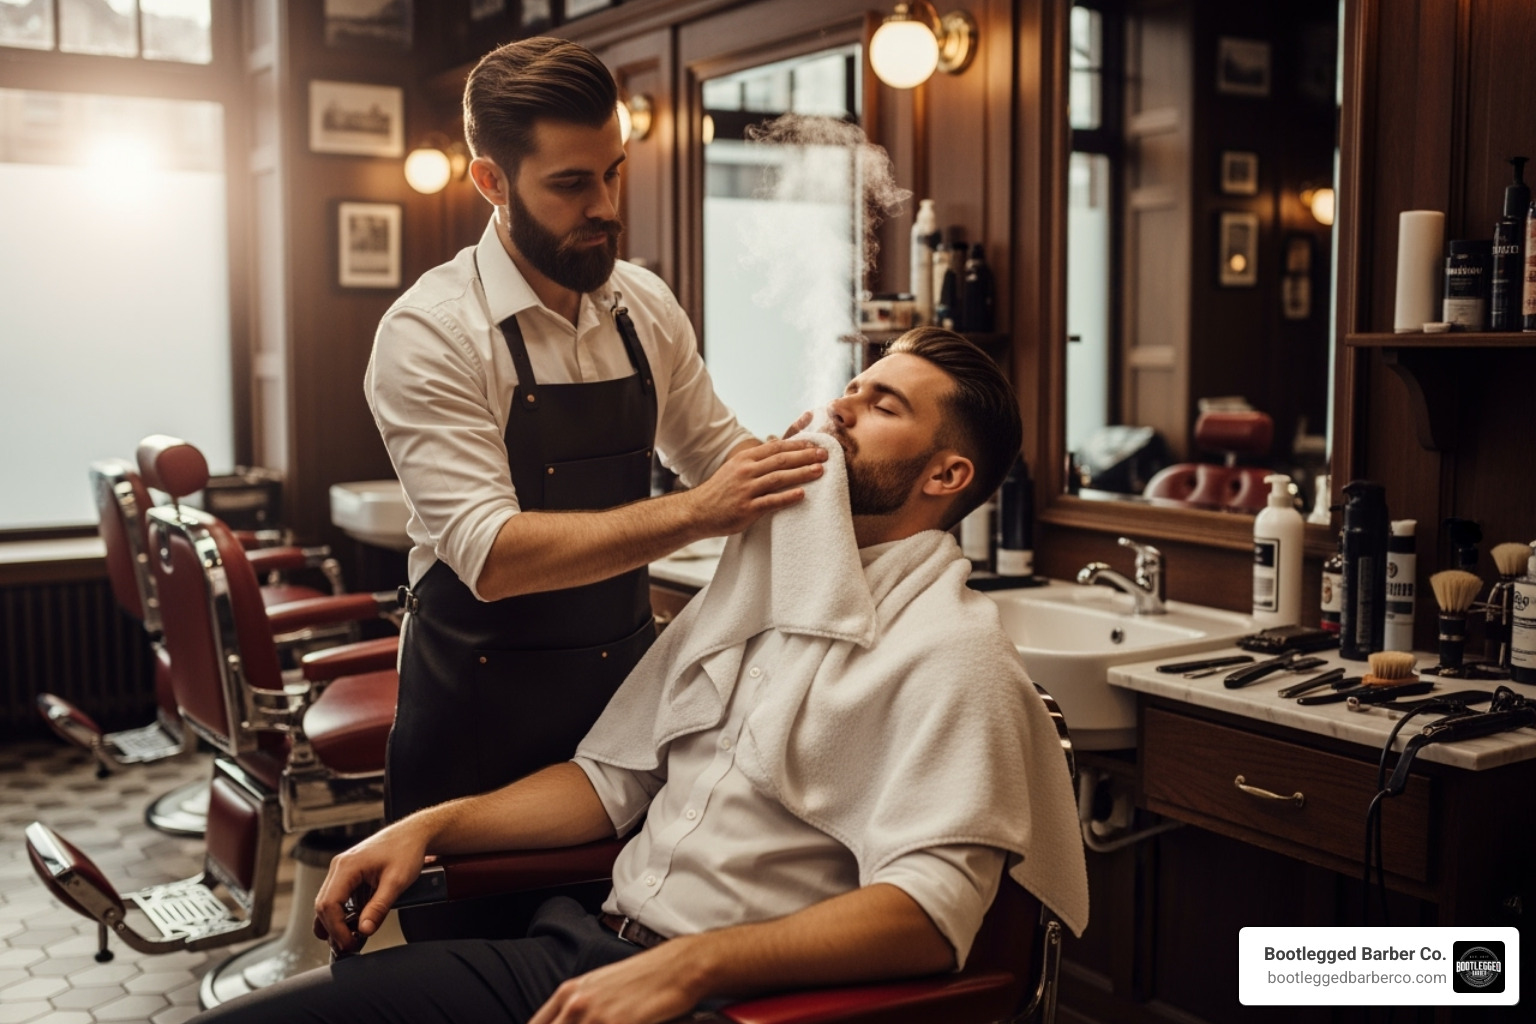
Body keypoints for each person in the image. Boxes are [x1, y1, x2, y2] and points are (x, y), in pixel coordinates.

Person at [194, 328, 1090, 1024]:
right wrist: (429, 829)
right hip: (578, 950)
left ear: (948, 472)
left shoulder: (952, 655)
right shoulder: (755, 592)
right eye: (849, 389)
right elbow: (610, 780)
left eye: (882, 404)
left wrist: (691, 965)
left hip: (724, 1001)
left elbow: (928, 919)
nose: (839, 410)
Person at [366, 32, 827, 915]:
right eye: (572, 184)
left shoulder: (642, 305)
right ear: (491, 182)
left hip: (624, 718)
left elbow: (717, 451)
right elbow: (493, 554)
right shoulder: (430, 333)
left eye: (614, 172)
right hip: (477, 721)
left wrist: (823, 466)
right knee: (483, 981)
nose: (606, 206)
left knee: (609, 959)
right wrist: (698, 514)